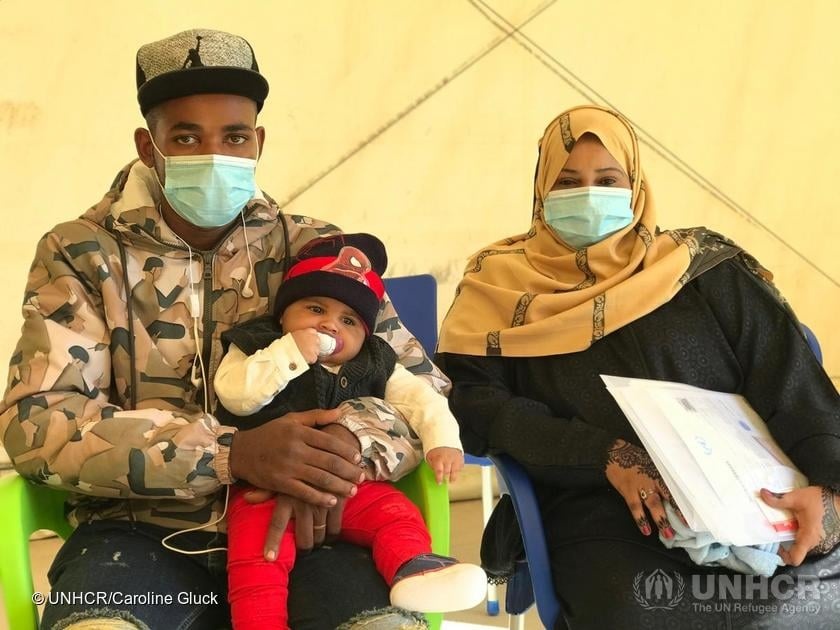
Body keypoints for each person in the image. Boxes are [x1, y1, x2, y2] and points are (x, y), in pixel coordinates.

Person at [0, 28, 450, 630]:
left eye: (235, 137)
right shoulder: (83, 254)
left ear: (258, 142)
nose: (214, 154)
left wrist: (337, 451)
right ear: (148, 146)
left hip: (312, 527)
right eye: (187, 137)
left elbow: (420, 390)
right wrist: (231, 454)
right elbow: (37, 421)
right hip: (138, 531)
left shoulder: (316, 249)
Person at [435, 105, 840, 629]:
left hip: (759, 504)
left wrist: (831, 490)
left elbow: (794, 386)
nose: (588, 195)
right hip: (606, 511)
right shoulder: (499, 287)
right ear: (541, 189)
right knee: (642, 611)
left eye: (608, 181)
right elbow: (478, 405)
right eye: (567, 182)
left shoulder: (703, 268)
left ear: (635, 185)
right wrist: (603, 455)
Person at [213, 232, 486, 628]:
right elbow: (235, 395)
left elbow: (422, 400)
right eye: (315, 309)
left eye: (348, 321)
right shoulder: (258, 343)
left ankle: (416, 570)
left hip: (349, 486)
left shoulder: (376, 361)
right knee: (257, 560)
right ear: (284, 315)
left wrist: (443, 442)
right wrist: (290, 352)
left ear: (366, 334)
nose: (329, 324)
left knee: (395, 514)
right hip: (262, 489)